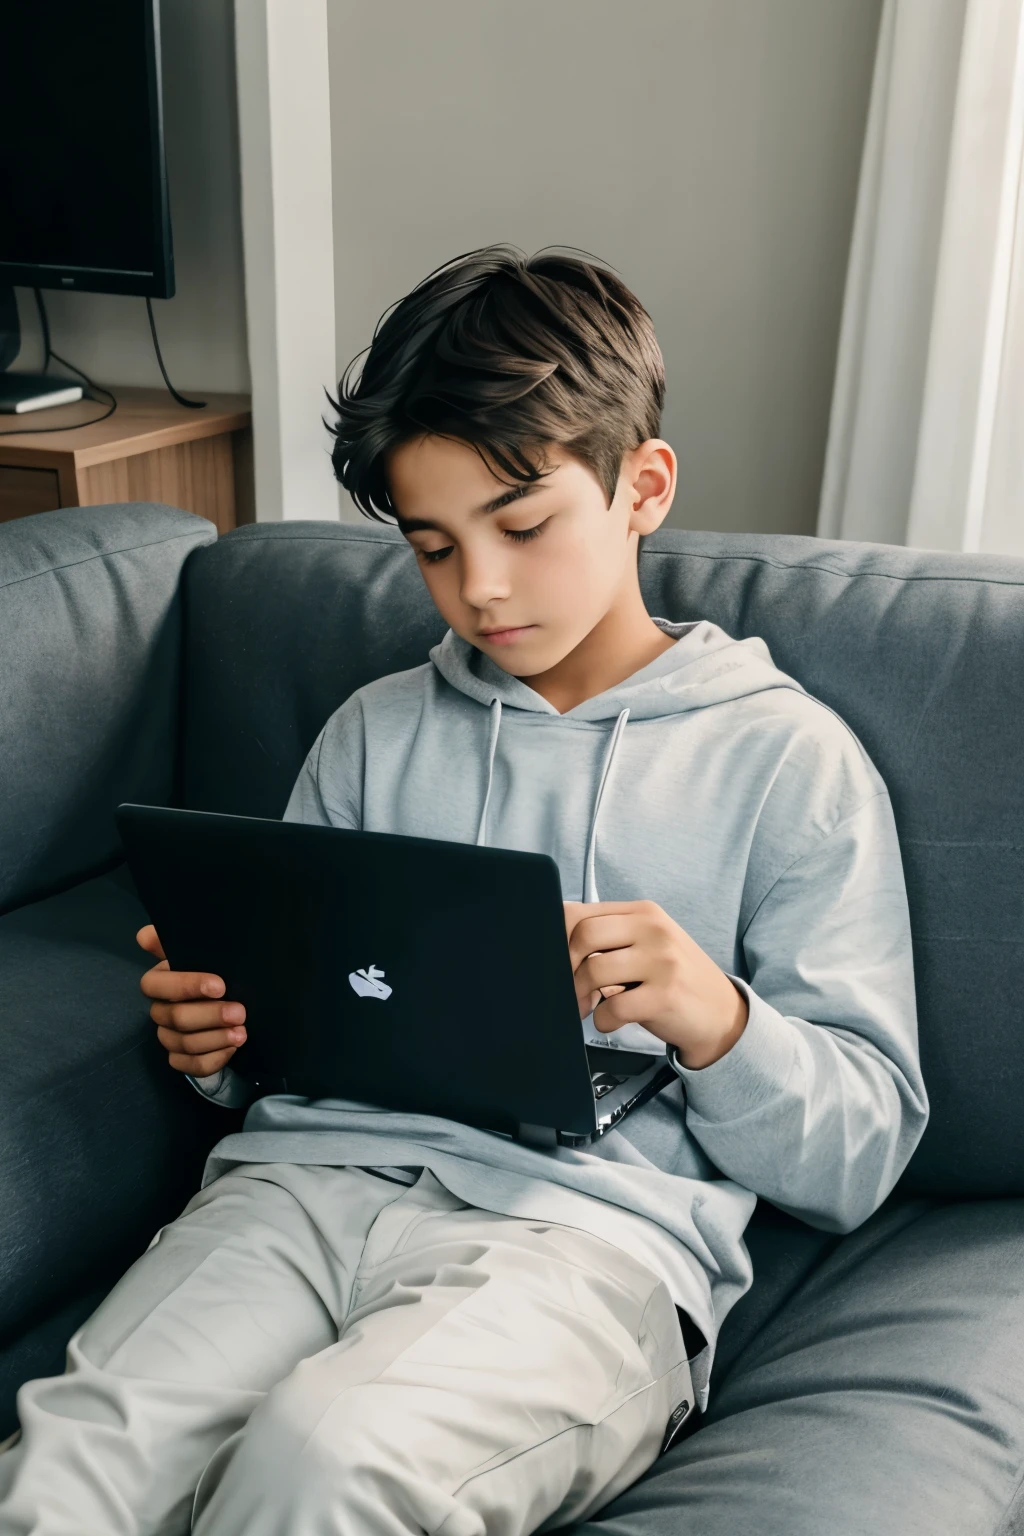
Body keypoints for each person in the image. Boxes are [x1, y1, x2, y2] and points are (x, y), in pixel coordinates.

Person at [0, 246, 929, 1536]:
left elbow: (859, 1155)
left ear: (642, 486)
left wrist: (718, 1021)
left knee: (328, 1467)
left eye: (524, 526)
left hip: (584, 1245)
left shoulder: (790, 762)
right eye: (434, 548)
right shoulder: (375, 731)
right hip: (297, 1190)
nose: (480, 588)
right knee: (69, 1471)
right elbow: (297, 1023)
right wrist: (217, 1040)